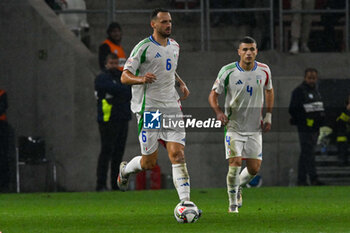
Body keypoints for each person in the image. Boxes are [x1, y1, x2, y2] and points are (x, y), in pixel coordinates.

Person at [117, 8, 193, 206]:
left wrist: (180, 83)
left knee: (177, 154)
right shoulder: (143, 48)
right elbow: (124, 76)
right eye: (164, 22)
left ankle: (185, 204)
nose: (168, 25)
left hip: (172, 105)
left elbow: (169, 68)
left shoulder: (175, 46)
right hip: (149, 109)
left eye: (170, 22)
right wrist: (141, 79)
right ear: (153, 24)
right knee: (149, 163)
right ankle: (125, 170)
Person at [208, 36, 274, 213]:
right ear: (239, 52)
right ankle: (232, 206)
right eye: (245, 49)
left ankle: (238, 187)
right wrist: (219, 113)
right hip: (233, 126)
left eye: (252, 49)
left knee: (254, 169)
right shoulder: (227, 71)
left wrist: (268, 116)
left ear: (256, 51)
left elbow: (269, 91)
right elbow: (213, 95)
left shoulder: (264, 70)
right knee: (235, 162)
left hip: (255, 127)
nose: (248, 53)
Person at [94, 53, 132, 191]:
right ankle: (101, 184)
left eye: (116, 63)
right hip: (107, 119)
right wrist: (119, 91)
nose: (114, 66)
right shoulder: (102, 78)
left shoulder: (121, 76)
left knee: (118, 153)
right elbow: (111, 88)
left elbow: (129, 92)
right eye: (111, 63)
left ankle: (116, 184)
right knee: (106, 151)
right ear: (106, 64)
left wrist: (118, 91)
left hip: (122, 118)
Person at [288, 68, 325, 186]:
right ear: (305, 78)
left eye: (314, 78)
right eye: (309, 78)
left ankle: (302, 179)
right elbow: (292, 109)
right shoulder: (299, 91)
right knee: (308, 152)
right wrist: (304, 119)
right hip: (305, 127)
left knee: (306, 152)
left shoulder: (317, 92)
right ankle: (313, 178)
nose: (312, 80)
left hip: (315, 127)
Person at [335, 95, 350, 166]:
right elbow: (339, 122)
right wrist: (348, 111)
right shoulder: (344, 109)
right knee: (341, 138)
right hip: (346, 132)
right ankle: (342, 160)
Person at [0, 89, 10, 192]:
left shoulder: (2, 93)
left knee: (2, 154)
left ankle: (3, 184)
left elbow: (2, 108)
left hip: (1, 127)